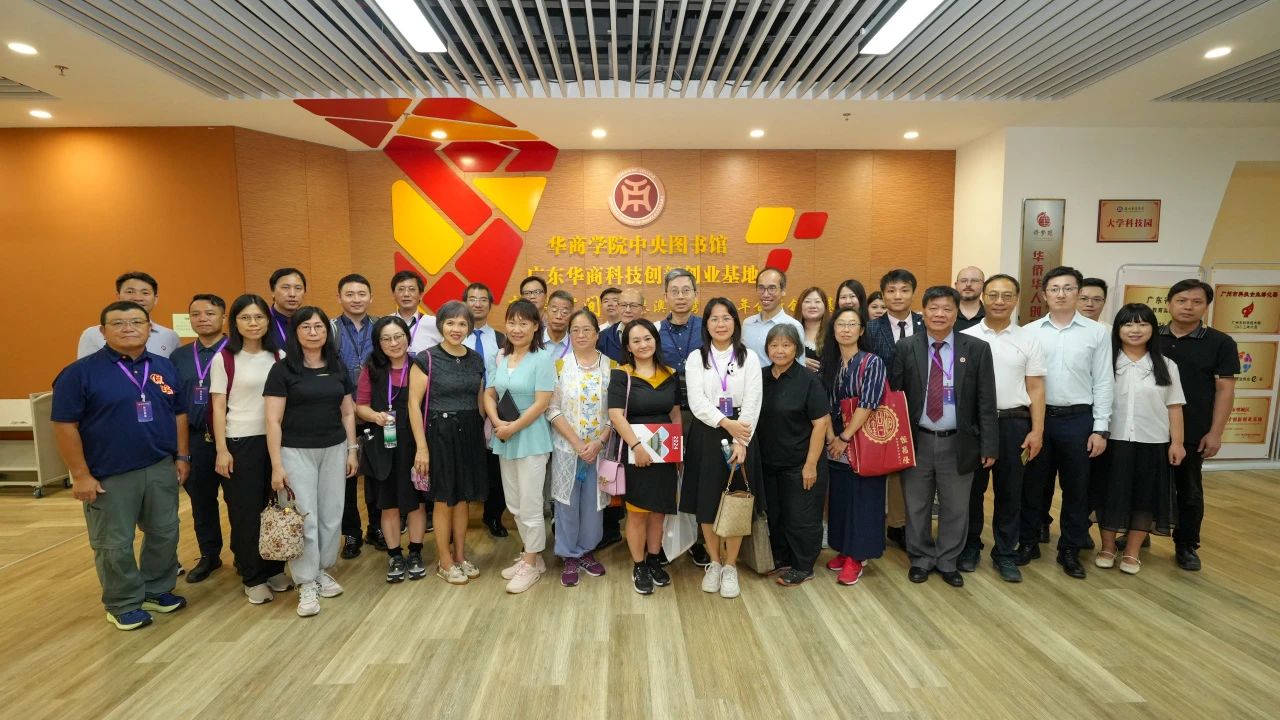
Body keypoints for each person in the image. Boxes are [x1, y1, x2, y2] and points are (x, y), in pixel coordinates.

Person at [53, 301, 191, 630]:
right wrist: (80, 475)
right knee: (114, 543)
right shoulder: (79, 373)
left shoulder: (163, 367)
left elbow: (179, 413)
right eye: (118, 323)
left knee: (165, 532)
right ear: (103, 331)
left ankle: (156, 589)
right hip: (108, 474)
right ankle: (123, 602)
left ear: (149, 328)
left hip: (159, 465)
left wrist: (182, 456)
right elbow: (64, 425)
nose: (128, 328)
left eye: (136, 322)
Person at [890, 287, 997, 587]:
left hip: (959, 441)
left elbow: (986, 400)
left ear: (955, 313)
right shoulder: (906, 347)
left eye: (947, 308)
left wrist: (989, 444)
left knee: (956, 505)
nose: (940, 314)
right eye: (933, 308)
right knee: (917, 504)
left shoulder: (976, 349)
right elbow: (895, 397)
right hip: (918, 440)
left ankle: (948, 560)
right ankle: (921, 558)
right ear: (923, 312)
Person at [1018, 266, 1113, 580]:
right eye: (1054, 289)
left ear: (1078, 293)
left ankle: (1070, 548)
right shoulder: (1029, 331)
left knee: (1077, 488)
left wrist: (1100, 428)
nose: (1061, 294)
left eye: (1068, 288)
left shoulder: (1097, 333)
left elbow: (1103, 381)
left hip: (1079, 419)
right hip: (1038, 418)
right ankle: (1028, 541)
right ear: (1044, 294)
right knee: (1033, 485)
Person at [264, 306, 359, 617]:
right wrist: (277, 465)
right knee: (304, 517)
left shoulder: (337, 366)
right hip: (295, 451)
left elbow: (348, 412)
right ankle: (305, 582)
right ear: (295, 333)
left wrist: (352, 449)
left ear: (327, 333)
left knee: (332, 514)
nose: (313, 332)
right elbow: (273, 421)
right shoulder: (282, 370)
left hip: (334, 448)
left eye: (319, 327)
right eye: (306, 327)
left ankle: (321, 570)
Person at [959, 275, 1045, 583]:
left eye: (1006, 296)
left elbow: (1036, 388)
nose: (999, 301)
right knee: (971, 491)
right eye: (993, 295)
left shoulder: (1028, 339)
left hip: (1014, 423)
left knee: (1011, 491)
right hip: (974, 426)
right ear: (983, 297)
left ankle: (1006, 552)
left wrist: (1037, 430)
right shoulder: (965, 337)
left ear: (1016, 299)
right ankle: (970, 546)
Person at [209, 294, 291, 604]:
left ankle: (274, 568)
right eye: (245, 317)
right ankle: (252, 575)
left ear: (268, 321)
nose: (253, 323)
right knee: (246, 512)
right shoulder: (225, 358)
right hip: (240, 442)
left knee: (276, 506)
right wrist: (221, 449)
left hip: (277, 441)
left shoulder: (280, 356)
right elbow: (218, 408)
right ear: (235, 322)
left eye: (258, 317)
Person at [1094, 304, 1186, 575]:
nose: (1135, 330)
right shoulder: (1106, 363)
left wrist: (1177, 443)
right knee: (1109, 495)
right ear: (1118, 330)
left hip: (1152, 443)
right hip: (1112, 440)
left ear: (1152, 329)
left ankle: (1132, 551)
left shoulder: (1166, 365)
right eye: (1128, 324)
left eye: (1143, 324)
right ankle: (1107, 547)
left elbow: (1175, 407)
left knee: (1144, 499)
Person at [682, 298, 763, 599]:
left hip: (742, 431)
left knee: (736, 499)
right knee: (707, 500)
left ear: (735, 323)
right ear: (706, 325)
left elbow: (753, 400)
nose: (720, 324)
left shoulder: (748, 357)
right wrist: (726, 424)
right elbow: (696, 401)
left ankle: (731, 566)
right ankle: (714, 563)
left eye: (726, 318)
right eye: (714, 319)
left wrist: (741, 440)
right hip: (707, 431)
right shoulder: (696, 358)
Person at [1157, 279, 1238, 571]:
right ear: (1169, 303)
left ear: (1206, 306)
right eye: (1181, 300)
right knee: (1144, 483)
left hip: (1193, 428)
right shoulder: (1150, 336)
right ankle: (1137, 533)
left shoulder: (1220, 342)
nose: (1188, 307)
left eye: (1196, 302)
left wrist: (1215, 432)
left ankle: (1186, 544)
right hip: (1149, 426)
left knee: (1189, 489)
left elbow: (1225, 389)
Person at [409, 302, 489, 585]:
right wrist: (421, 447)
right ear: (441, 324)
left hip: (469, 432)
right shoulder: (426, 358)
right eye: (450, 322)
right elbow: (413, 405)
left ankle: (460, 556)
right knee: (444, 499)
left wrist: (483, 433)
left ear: (470, 328)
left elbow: (479, 399)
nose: (456, 329)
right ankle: (444, 561)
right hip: (439, 433)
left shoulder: (476, 359)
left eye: (462, 324)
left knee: (463, 497)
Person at [483, 299, 557, 594]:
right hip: (504, 436)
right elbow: (489, 394)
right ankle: (533, 556)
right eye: (511, 322)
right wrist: (497, 422)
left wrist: (512, 427)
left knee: (531, 503)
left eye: (523, 323)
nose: (516, 329)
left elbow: (542, 403)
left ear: (536, 326)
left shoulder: (542, 358)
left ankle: (530, 563)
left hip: (531, 438)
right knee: (514, 502)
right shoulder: (501, 357)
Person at [608, 319, 682, 595]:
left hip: (665, 453)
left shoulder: (670, 373)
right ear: (628, 347)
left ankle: (654, 560)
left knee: (659, 512)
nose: (643, 344)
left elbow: (675, 414)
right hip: (635, 452)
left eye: (648, 338)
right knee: (638, 512)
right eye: (636, 340)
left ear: (656, 340)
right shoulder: (622, 375)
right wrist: (637, 446)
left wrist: (678, 450)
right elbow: (616, 415)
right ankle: (638, 565)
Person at [355, 316, 428, 584]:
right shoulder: (371, 369)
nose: (393, 343)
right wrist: (375, 416)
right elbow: (360, 406)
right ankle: (395, 555)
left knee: (417, 502)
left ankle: (416, 551)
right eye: (386, 339)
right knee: (389, 504)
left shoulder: (419, 365)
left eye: (398, 336)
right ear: (378, 343)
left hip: (415, 443)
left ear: (407, 337)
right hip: (384, 445)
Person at [821, 306, 888, 587]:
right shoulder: (830, 363)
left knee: (864, 498)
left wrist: (845, 437)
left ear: (861, 331)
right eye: (841, 324)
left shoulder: (872, 362)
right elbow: (822, 404)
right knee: (841, 497)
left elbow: (869, 403)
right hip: (835, 439)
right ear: (833, 330)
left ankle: (858, 557)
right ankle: (844, 549)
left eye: (852, 325)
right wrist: (830, 438)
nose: (846, 329)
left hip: (862, 439)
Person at [759, 324, 830, 586]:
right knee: (776, 516)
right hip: (768, 463)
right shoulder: (760, 377)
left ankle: (803, 565)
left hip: (800, 463)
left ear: (797, 349)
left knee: (801, 517)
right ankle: (782, 558)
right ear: (767, 349)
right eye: (774, 345)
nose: (779, 350)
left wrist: (810, 465)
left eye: (786, 345)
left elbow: (821, 424)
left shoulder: (809, 380)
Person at [547, 309, 613, 586]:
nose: (581, 335)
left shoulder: (612, 366)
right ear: (569, 334)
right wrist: (577, 443)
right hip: (567, 448)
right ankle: (568, 554)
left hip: (600, 449)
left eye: (587, 329)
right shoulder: (559, 366)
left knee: (594, 503)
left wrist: (598, 443)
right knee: (567, 502)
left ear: (597, 334)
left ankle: (587, 551)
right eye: (575, 330)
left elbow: (615, 413)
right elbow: (552, 409)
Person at [168, 294, 228, 583]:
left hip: (233, 439)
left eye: (210, 313)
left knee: (241, 500)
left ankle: (245, 554)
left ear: (224, 317)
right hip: (194, 438)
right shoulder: (178, 357)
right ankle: (209, 555)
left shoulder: (238, 351)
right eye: (196, 314)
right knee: (202, 502)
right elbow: (173, 404)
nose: (202, 318)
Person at [655, 268, 711, 568]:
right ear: (665, 295)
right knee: (666, 478)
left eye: (686, 290)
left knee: (699, 477)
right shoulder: (654, 331)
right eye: (674, 291)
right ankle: (664, 543)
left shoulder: (708, 327)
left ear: (695, 294)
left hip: (702, 416)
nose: (680, 296)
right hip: (666, 416)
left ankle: (698, 542)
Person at [867, 269, 924, 550]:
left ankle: (915, 524)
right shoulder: (870, 329)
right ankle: (896, 525)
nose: (897, 296)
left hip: (923, 408)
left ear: (913, 292)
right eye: (891, 291)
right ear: (883, 295)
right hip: (884, 409)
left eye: (904, 290)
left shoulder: (928, 325)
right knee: (891, 466)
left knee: (918, 468)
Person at [331, 273, 384, 558]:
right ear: (339, 297)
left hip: (374, 410)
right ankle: (351, 533)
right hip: (339, 412)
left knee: (377, 473)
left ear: (371, 297)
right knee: (346, 475)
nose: (356, 299)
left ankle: (377, 526)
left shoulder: (381, 327)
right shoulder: (330, 329)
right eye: (349, 294)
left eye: (362, 294)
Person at [463, 282, 510, 538]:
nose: (478, 303)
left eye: (483, 299)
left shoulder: (502, 339)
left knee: (495, 468)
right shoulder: (455, 336)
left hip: (495, 413)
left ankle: (493, 516)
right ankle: (459, 519)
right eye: (472, 298)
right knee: (465, 465)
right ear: (465, 303)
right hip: (464, 410)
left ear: (490, 305)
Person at [77, 272, 181, 358]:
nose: (137, 298)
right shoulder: (93, 334)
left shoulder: (170, 336)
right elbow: (85, 371)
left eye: (145, 293)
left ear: (155, 299)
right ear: (118, 296)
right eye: (130, 292)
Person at [742, 267, 804, 367]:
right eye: (761, 288)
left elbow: (800, 367)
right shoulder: (747, 324)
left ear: (783, 291)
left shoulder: (794, 326)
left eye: (772, 288)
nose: (765, 294)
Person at [389, 270, 441, 356]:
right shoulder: (385, 323)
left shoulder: (434, 323)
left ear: (420, 295)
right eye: (401, 289)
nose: (406, 294)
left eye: (412, 289)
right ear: (393, 294)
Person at [598, 287, 645, 362]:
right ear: (617, 307)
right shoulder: (603, 337)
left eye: (633, 305)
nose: (628, 310)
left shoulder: (652, 333)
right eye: (623, 305)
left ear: (642, 309)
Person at [267, 267, 307, 348]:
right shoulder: (263, 322)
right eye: (285, 287)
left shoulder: (308, 321)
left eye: (298, 288)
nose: (292, 294)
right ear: (272, 291)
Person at [798, 286, 830, 373]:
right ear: (800, 306)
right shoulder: (791, 331)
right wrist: (799, 361)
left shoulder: (834, 332)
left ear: (825, 306)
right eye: (807, 302)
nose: (813, 306)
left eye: (817, 301)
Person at [543, 289, 574, 361]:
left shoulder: (576, 344)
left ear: (571, 315)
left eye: (564, 312)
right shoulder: (533, 340)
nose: (558, 316)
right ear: (546, 312)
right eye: (554, 311)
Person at [954, 266, 986, 332]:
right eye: (963, 281)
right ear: (956, 285)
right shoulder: (945, 315)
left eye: (974, 280)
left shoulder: (991, 316)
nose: (968, 284)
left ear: (983, 286)